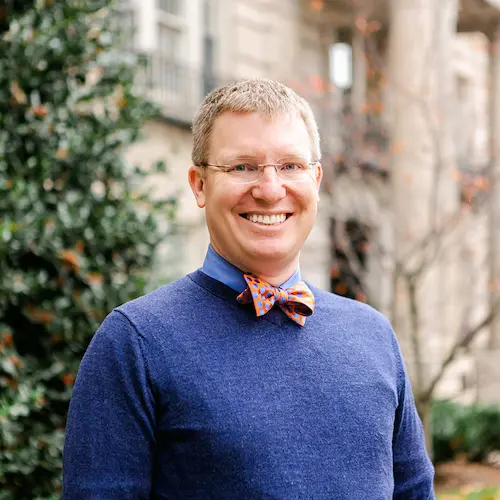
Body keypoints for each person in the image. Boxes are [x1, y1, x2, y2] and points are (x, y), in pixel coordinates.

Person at [62, 78, 435, 499]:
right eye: (242, 167)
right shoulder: (135, 342)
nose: (270, 189)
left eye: (291, 165)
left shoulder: (373, 335)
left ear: (316, 180)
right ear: (199, 184)